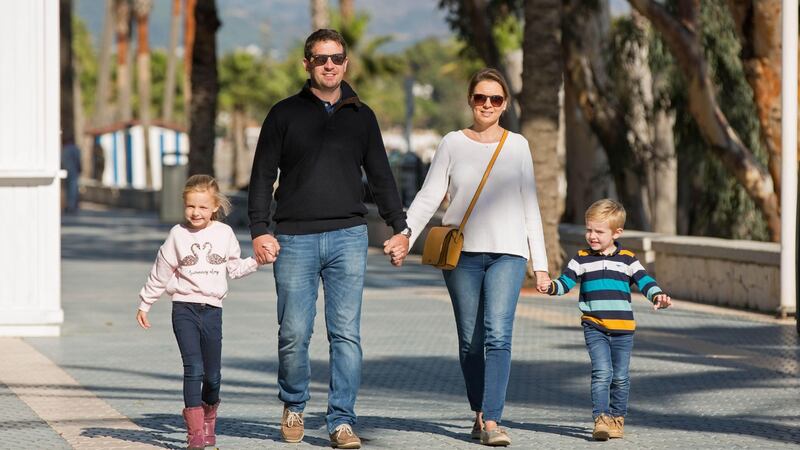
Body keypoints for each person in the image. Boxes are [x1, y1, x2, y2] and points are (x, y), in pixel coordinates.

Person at [247, 29, 409, 449]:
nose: (330, 65)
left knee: (346, 335)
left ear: (346, 62)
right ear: (307, 64)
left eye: (336, 57)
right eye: (321, 59)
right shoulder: (283, 114)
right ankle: (294, 403)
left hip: (348, 238)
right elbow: (263, 177)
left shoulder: (362, 116)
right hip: (294, 240)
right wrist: (260, 230)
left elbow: (381, 176)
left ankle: (341, 421)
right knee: (294, 332)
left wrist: (399, 227)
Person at [386, 68, 551, 447]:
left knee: (498, 334)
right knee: (470, 341)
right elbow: (429, 196)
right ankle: (478, 410)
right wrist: (405, 236)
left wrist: (539, 265)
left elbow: (531, 206)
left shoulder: (518, 145)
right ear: (470, 101)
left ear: (505, 104)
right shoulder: (451, 143)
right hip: (461, 255)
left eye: (495, 99)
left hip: (508, 255)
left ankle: (492, 420)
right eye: (480, 98)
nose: (487, 105)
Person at [136, 175, 267, 450]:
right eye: (191, 206)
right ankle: (195, 434)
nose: (196, 213)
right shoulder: (177, 235)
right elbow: (160, 272)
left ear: (215, 207)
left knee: (213, 376)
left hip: (212, 311)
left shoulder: (224, 234)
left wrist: (257, 260)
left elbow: (234, 269)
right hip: (183, 308)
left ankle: (209, 420)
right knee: (193, 368)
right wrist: (145, 302)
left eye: (203, 207)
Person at [546, 199, 672, 441]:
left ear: (617, 232)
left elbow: (645, 281)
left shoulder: (627, 259)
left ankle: (617, 418)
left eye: (598, 231)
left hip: (623, 329)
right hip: (595, 326)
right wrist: (550, 286)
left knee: (621, 376)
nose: (592, 236)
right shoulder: (581, 259)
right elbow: (565, 284)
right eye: (589, 229)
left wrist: (657, 295)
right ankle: (601, 418)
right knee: (602, 372)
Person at [61, 139, 82, 213]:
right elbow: (78, 160)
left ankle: (69, 205)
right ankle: (71, 206)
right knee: (73, 189)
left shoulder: (64, 149)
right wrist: (80, 169)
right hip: (73, 172)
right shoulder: (75, 149)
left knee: (68, 189)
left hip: (66, 171)